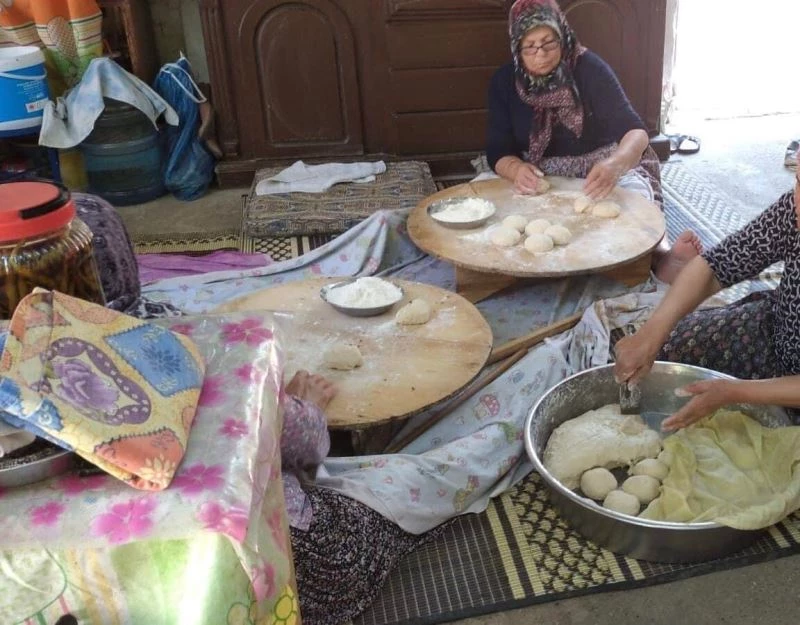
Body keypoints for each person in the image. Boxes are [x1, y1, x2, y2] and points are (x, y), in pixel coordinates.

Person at [487, 0, 701, 283]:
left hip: (597, 169)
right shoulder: (505, 82)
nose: (541, 55)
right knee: (486, 203)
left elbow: (635, 131)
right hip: (538, 173)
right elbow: (498, 151)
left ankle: (660, 255)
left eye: (549, 43)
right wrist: (515, 169)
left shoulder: (588, 68)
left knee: (636, 202)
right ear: (517, 47)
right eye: (530, 47)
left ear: (562, 35)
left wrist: (616, 164)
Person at [614, 154, 800, 431]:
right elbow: (717, 265)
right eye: (798, 180)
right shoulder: (792, 210)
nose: (797, 205)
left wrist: (733, 392)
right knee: (663, 356)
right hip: (773, 333)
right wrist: (651, 335)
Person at [281, 370, 443, 625]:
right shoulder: (240, 384)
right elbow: (306, 445)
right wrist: (305, 408)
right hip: (303, 570)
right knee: (409, 486)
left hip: (240, 574)